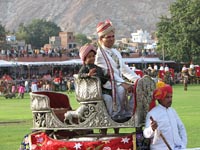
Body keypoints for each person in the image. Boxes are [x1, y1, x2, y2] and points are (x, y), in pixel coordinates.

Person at [95, 19, 140, 121]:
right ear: (101, 39)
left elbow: (124, 69)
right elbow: (107, 73)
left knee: (137, 87)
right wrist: (123, 83)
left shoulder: (116, 52)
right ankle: (118, 114)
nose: (111, 39)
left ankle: (130, 112)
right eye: (108, 37)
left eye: (113, 36)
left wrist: (137, 80)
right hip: (108, 84)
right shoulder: (99, 54)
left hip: (119, 81)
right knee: (122, 89)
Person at [143, 82, 187, 150]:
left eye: (171, 97)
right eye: (167, 97)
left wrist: (183, 144)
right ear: (160, 98)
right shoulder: (153, 113)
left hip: (178, 147)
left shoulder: (172, 111)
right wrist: (152, 129)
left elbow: (181, 128)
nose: (170, 100)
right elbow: (146, 134)